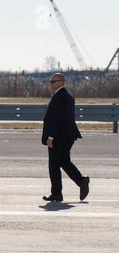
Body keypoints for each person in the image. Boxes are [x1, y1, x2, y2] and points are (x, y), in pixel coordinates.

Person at [42, 73, 90, 202]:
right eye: (50, 81)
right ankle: (81, 181)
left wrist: (51, 136)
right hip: (67, 135)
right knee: (64, 161)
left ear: (61, 82)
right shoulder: (67, 95)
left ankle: (57, 194)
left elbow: (57, 119)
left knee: (54, 165)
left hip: (59, 136)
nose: (51, 84)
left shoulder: (60, 96)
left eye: (53, 81)